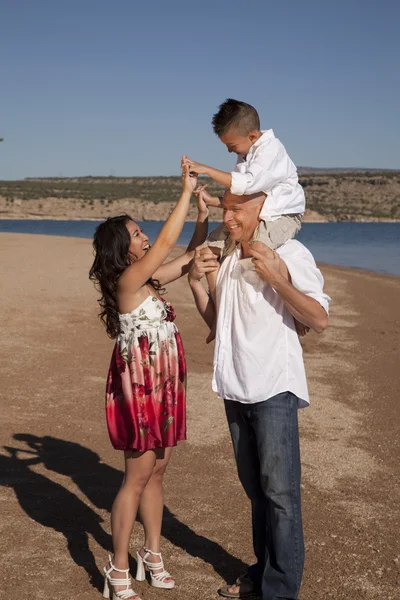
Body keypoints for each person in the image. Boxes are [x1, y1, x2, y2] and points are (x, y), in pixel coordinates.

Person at [188, 189, 330, 600]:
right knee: (256, 491)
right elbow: (219, 321)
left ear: (262, 211)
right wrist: (199, 282)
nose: (228, 218)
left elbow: (318, 318)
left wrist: (276, 278)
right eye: (226, 209)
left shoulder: (290, 251)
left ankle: (280, 590)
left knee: (281, 495)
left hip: (273, 388)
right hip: (235, 387)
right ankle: (264, 571)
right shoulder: (229, 256)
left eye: (237, 211)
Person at [89, 164, 208, 600]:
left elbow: (191, 254)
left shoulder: (150, 282)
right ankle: (117, 568)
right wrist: (185, 189)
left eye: (143, 233)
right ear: (124, 250)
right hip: (141, 389)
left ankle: (151, 555)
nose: (144, 238)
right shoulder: (128, 282)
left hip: (164, 386)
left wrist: (200, 214)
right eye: (137, 234)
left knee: (157, 471)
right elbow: (165, 245)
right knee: (136, 478)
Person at [183, 98, 305, 314]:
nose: (231, 152)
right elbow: (241, 197)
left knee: (259, 250)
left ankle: (294, 306)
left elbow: (249, 183)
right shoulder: (245, 153)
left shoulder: (272, 151)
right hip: (253, 215)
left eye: (231, 146)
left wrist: (208, 169)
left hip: (281, 215)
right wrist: (214, 202)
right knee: (206, 252)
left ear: (252, 136)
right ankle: (221, 309)